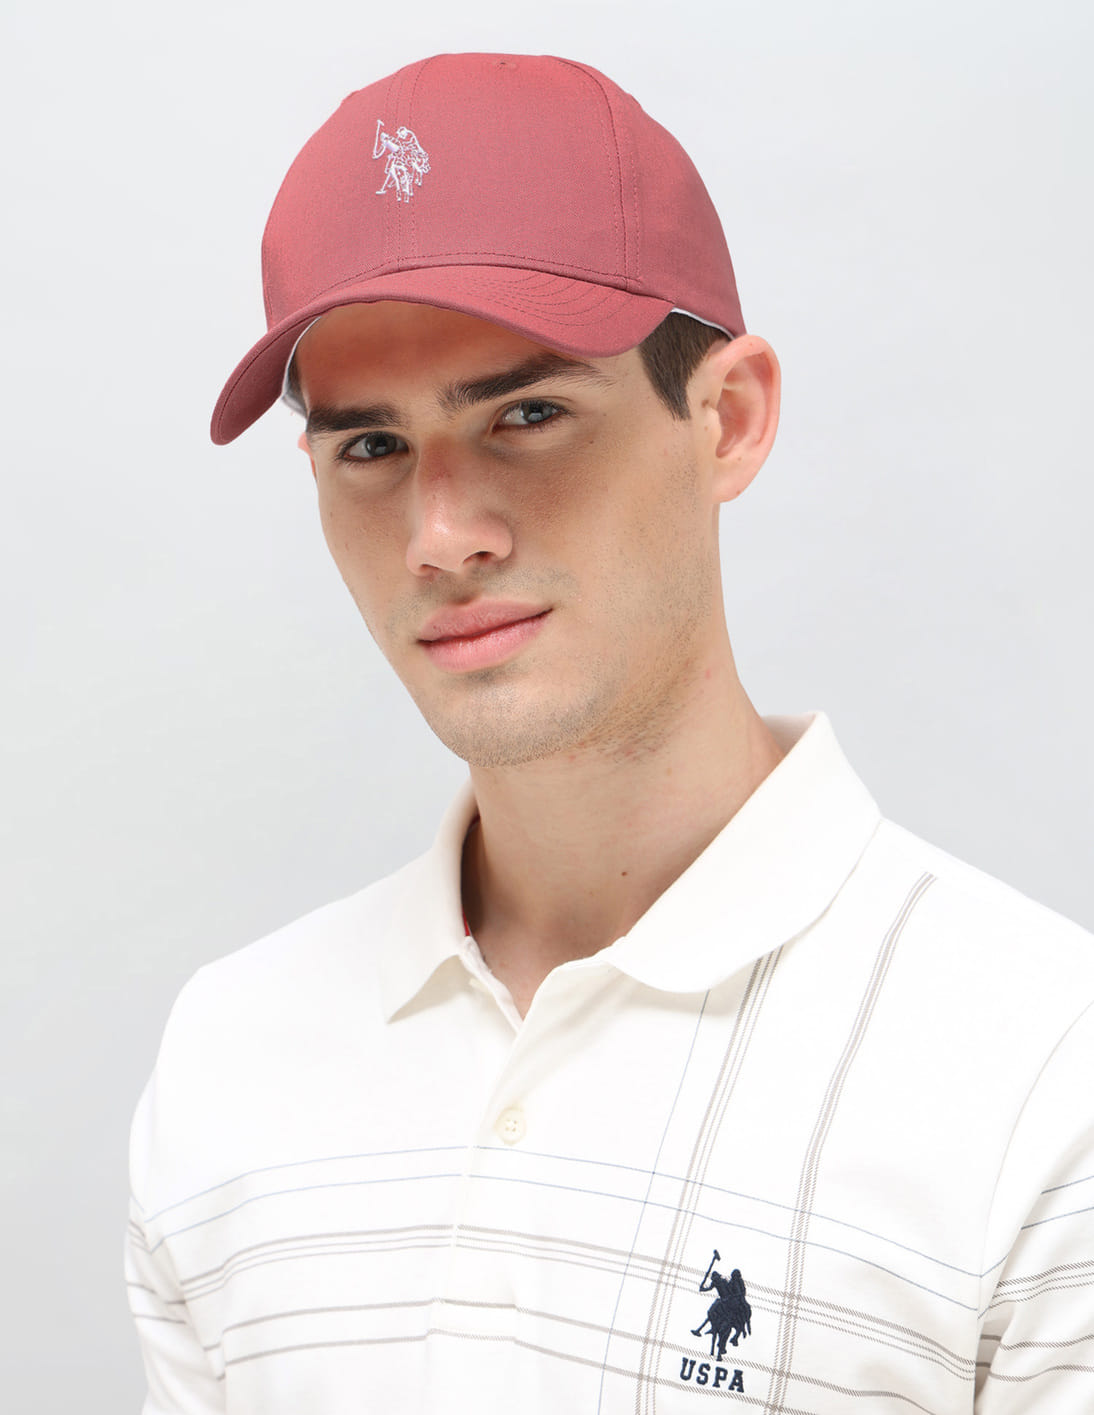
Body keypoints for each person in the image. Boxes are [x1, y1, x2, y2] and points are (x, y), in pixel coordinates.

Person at [126, 53, 1094, 1413]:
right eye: (370, 448)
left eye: (528, 415)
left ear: (728, 420)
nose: (440, 535)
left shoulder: (1045, 1081)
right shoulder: (230, 1054)